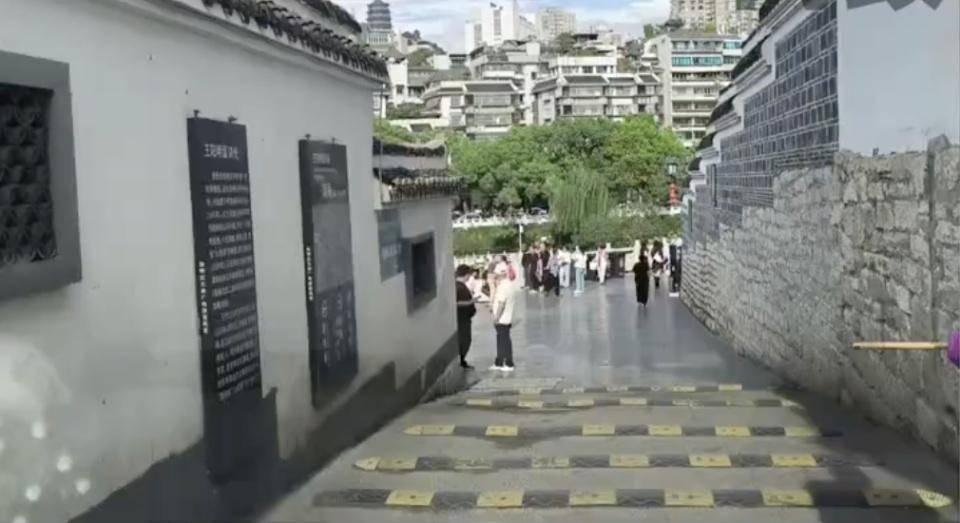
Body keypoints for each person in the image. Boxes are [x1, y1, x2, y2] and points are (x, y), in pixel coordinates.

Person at [490, 261, 517, 371]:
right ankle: (499, 362)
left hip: (502, 318)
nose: (494, 276)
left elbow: (501, 303)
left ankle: (508, 363)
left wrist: (496, 317)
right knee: (502, 339)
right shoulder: (509, 284)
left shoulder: (503, 286)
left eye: (495, 274)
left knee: (503, 341)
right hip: (506, 317)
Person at [454, 265, 477, 369]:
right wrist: (470, 302)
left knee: (465, 340)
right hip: (462, 318)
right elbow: (455, 303)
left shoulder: (459, 286)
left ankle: (462, 360)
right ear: (466, 275)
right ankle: (461, 360)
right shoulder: (458, 287)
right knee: (465, 340)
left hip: (464, 317)